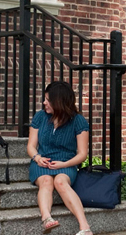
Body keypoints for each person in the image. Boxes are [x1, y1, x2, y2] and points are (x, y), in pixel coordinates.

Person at [27, 81, 93, 235]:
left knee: (60, 181)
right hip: (41, 162)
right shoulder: (40, 117)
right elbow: (31, 146)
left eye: (48, 100)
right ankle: (47, 219)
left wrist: (65, 164)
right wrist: (37, 158)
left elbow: (82, 154)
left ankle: (85, 228)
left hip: (67, 162)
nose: (44, 103)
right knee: (46, 181)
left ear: (59, 102)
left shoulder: (78, 121)